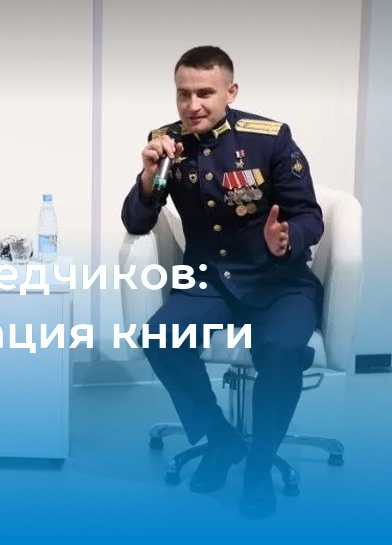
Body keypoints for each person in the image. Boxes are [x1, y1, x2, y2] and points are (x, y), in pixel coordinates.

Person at [121, 46, 324, 519]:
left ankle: (259, 468)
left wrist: (286, 238)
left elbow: (310, 216)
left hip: (279, 281)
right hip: (210, 280)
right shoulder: (167, 144)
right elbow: (136, 221)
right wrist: (149, 177)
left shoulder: (269, 139)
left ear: (230, 92)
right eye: (183, 94)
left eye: (205, 93)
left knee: (281, 351)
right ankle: (222, 438)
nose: (192, 105)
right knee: (159, 337)